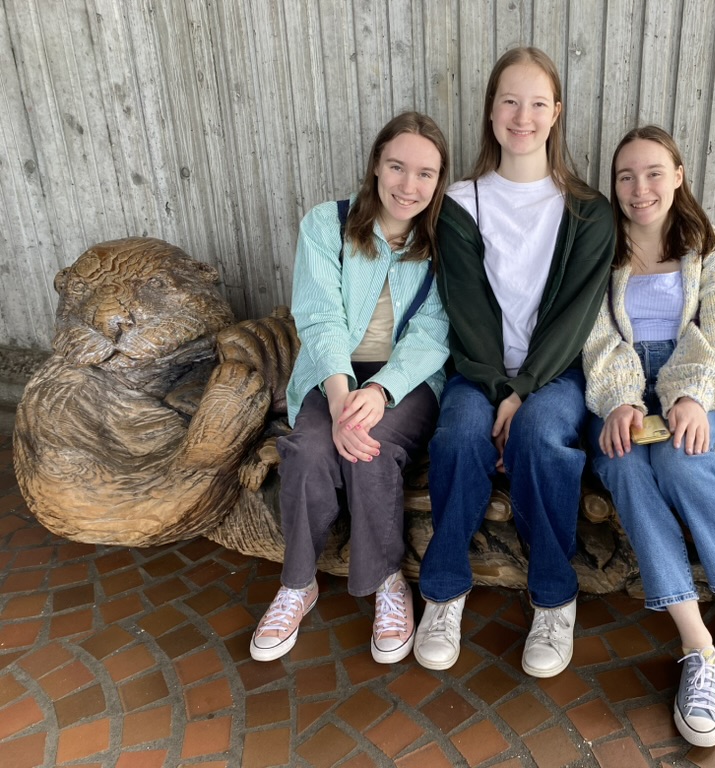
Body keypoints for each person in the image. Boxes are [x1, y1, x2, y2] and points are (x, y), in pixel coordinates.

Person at [413, 47, 614, 678]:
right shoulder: (459, 202)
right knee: (458, 436)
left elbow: (575, 318)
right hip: (478, 370)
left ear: (556, 113)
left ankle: (554, 596)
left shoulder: (590, 211)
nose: (521, 116)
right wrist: (501, 386)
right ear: (490, 111)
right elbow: (465, 311)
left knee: (541, 438)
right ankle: (443, 591)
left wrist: (524, 391)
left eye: (536, 103)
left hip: (556, 373)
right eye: (509, 100)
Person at [582, 126, 715, 747]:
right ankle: (697, 647)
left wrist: (691, 395)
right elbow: (594, 335)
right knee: (620, 465)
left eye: (652, 173)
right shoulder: (601, 248)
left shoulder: (713, 247)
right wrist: (619, 399)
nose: (639, 189)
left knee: (678, 458)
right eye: (625, 177)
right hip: (622, 385)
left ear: (678, 174)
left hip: (696, 380)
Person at [249, 112, 450, 665]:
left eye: (426, 174)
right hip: (332, 370)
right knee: (310, 448)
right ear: (375, 167)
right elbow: (319, 316)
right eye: (397, 167)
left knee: (370, 449)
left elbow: (434, 334)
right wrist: (339, 399)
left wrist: (381, 390)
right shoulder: (327, 224)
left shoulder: (441, 239)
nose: (409, 185)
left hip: (406, 380)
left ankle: (387, 581)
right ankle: (297, 584)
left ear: (439, 181)